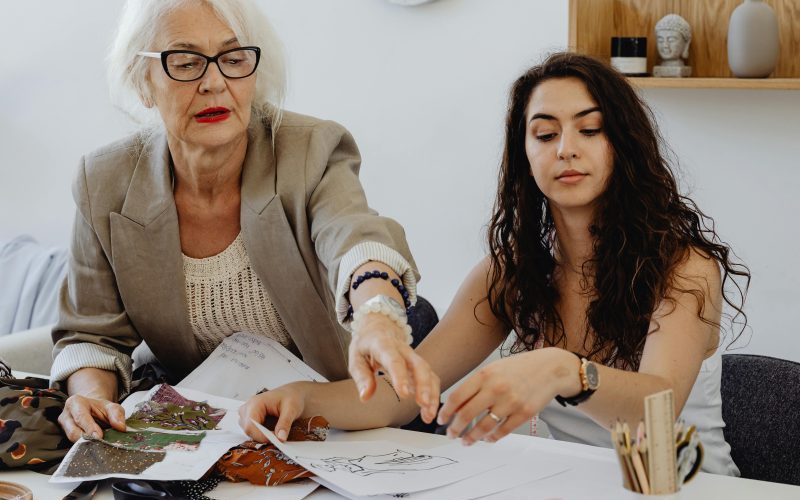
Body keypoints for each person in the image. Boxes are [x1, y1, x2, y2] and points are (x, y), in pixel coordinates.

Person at [239, 52, 749, 475]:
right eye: (546, 135)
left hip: (687, 486)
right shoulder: (507, 276)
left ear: (623, 145)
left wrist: (564, 369)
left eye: (590, 129)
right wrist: (302, 399)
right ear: (525, 155)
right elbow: (401, 398)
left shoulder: (683, 268)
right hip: (572, 485)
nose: (567, 149)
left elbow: (656, 409)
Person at [52, 0, 428, 442]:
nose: (215, 83)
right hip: (219, 423)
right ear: (143, 81)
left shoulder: (311, 149)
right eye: (186, 62)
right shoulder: (105, 182)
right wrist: (92, 397)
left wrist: (377, 314)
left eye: (233, 60)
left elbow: (353, 236)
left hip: (343, 400)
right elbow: (91, 334)